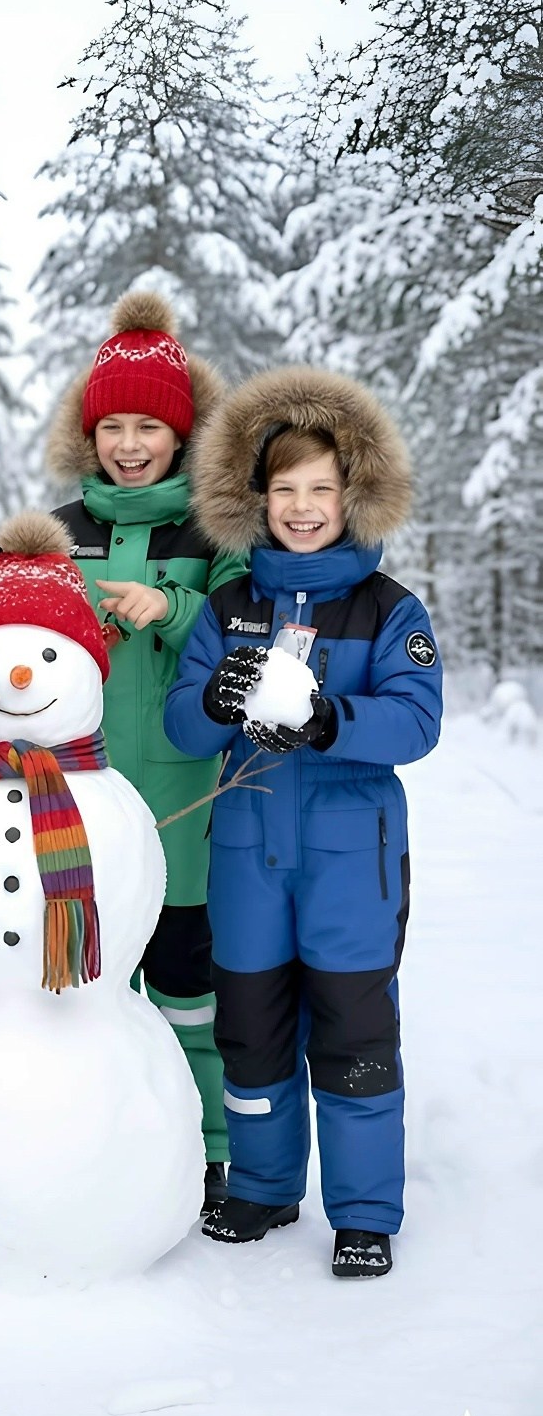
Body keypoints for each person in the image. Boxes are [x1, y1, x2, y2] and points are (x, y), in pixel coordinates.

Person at [164, 366, 443, 1278]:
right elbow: (183, 723)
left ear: (353, 494)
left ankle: (363, 1211)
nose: (303, 506)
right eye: (284, 489)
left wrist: (331, 721)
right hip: (247, 864)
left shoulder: (388, 608)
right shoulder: (230, 607)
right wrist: (215, 694)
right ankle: (263, 1187)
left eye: (321, 488)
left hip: (350, 870)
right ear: (256, 499)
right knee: (250, 1031)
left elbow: (417, 719)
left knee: (355, 1039)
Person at [46, 290, 249, 1214]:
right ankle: (92, 1151)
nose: (130, 444)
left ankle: (206, 1153)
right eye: (113, 426)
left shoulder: (214, 532)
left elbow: (247, 643)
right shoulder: (56, 532)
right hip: (75, 805)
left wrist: (170, 610)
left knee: (185, 993)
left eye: (150, 427)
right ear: (90, 436)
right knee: (85, 992)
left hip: (182, 809)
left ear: (181, 434)